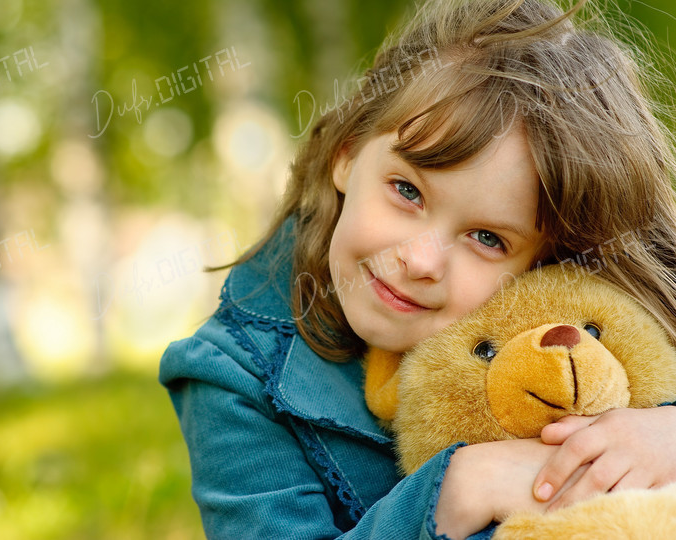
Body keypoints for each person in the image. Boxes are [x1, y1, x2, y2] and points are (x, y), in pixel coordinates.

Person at [160, 0, 676, 537]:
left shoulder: (583, 329)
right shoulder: (234, 375)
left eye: (487, 238)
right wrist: (456, 489)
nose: (421, 259)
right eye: (407, 191)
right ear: (348, 152)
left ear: (544, 263)